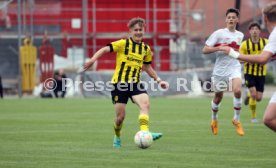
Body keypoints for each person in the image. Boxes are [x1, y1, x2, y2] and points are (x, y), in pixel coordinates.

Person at [82, 17, 169, 148]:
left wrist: (158, 80)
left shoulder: (145, 49)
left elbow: (147, 67)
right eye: (136, 30)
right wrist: (92, 60)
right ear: (131, 31)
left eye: (141, 29)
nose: (139, 32)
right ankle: (117, 135)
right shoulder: (123, 44)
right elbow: (105, 49)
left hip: (135, 83)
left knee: (145, 105)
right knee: (120, 118)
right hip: (120, 84)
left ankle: (145, 132)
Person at [221, 2, 276, 132]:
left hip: (260, 73)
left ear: (265, 18)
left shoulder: (273, 36)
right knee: (268, 118)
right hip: (250, 73)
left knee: (267, 116)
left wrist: (234, 54)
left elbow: (262, 59)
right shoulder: (248, 43)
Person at [202, 8, 245, 136]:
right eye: (229, 17)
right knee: (218, 97)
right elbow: (204, 49)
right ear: (226, 19)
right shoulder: (219, 33)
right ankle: (214, 119)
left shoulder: (240, 35)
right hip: (220, 71)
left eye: (233, 17)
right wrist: (219, 48)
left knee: (237, 90)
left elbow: (237, 53)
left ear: (237, 20)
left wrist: (244, 58)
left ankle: (236, 119)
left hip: (234, 68)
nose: (231, 19)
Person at [240, 22, 268, 123]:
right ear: (249, 32)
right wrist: (248, 60)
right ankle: (253, 117)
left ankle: (248, 95)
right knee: (254, 94)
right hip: (249, 73)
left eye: (256, 29)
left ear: (259, 31)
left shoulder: (266, 42)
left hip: (261, 73)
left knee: (259, 98)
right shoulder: (244, 44)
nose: (254, 31)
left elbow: (271, 54)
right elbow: (239, 59)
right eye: (252, 29)